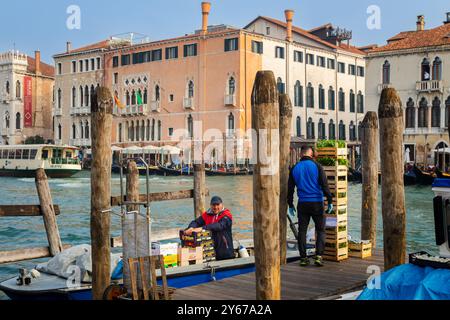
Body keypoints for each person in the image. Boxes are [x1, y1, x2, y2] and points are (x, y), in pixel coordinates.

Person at [287, 146, 333, 267]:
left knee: (302, 231)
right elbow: (325, 185)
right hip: (317, 203)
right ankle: (318, 257)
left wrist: (290, 204)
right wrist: (330, 201)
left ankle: (303, 258)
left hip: (302, 204)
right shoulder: (317, 166)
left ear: (301, 154)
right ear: (311, 153)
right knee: (321, 230)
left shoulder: (294, 168)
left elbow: (290, 189)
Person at [184, 196, 234, 261]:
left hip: (225, 252)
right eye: (213, 205)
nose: (215, 207)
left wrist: (202, 228)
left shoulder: (227, 215)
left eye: (217, 205)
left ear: (222, 205)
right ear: (210, 205)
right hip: (210, 251)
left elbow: (220, 226)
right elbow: (196, 222)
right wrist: (191, 228)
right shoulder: (207, 214)